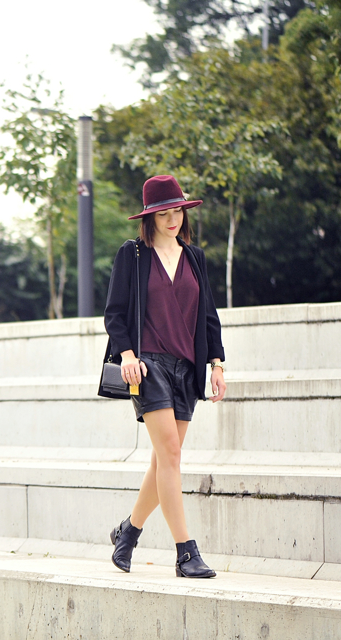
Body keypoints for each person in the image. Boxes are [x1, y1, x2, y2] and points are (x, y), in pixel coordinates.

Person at [101, 174, 227, 578]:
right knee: (171, 454)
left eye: (178, 211)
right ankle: (186, 552)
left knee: (163, 461)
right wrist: (127, 355)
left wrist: (217, 364)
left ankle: (128, 532)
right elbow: (114, 313)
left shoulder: (194, 257)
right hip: (148, 366)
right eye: (163, 213)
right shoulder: (134, 254)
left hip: (187, 369)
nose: (173, 219)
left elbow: (208, 315)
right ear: (149, 217)